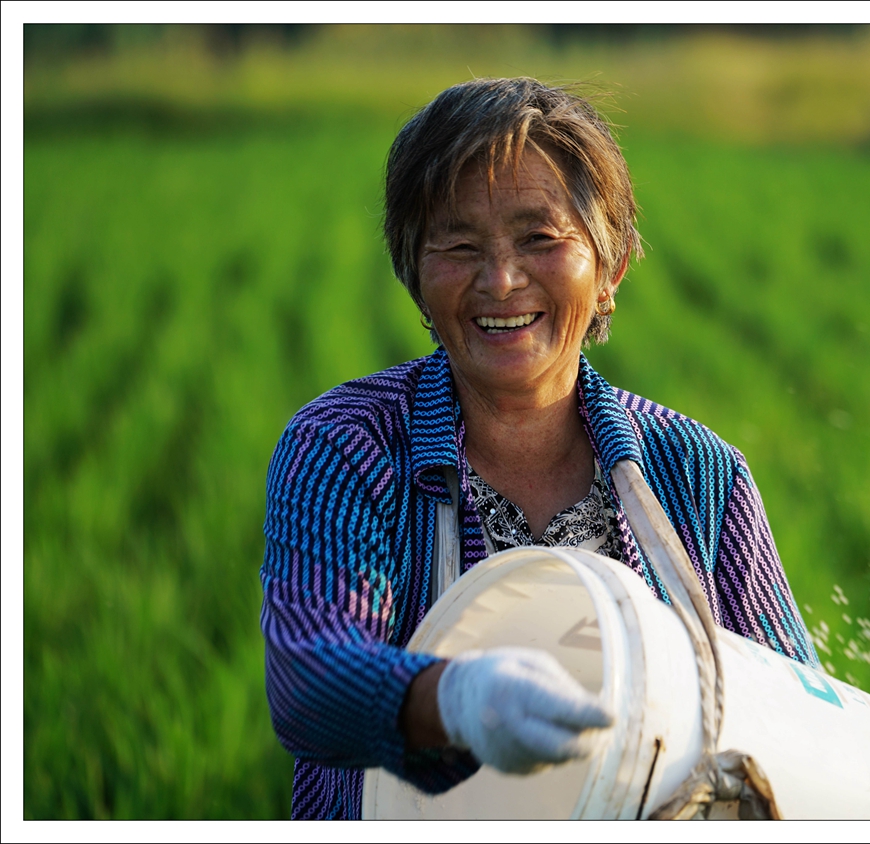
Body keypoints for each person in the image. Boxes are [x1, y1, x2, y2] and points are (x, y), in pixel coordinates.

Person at [261, 77, 818, 820]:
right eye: (458, 246)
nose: (500, 280)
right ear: (413, 276)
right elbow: (307, 681)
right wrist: (453, 701)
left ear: (611, 267)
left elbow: (798, 708)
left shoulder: (696, 471)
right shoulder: (348, 448)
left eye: (540, 239)